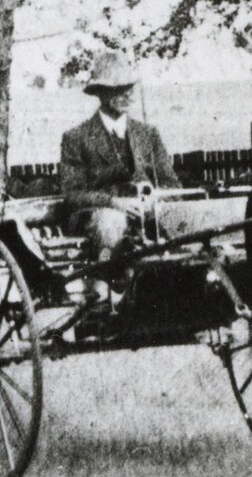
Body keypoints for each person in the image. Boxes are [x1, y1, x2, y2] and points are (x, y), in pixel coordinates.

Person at [59, 51, 178, 316]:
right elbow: (72, 193)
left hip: (147, 211)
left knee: (180, 217)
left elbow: (171, 183)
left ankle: (180, 289)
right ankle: (105, 290)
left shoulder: (148, 134)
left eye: (130, 87)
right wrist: (114, 203)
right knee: (111, 222)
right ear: (101, 93)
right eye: (119, 88)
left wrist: (155, 197)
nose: (128, 95)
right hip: (98, 216)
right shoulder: (77, 138)